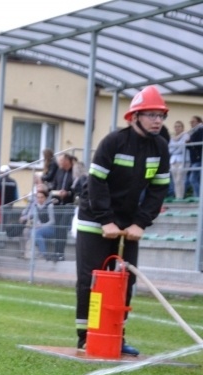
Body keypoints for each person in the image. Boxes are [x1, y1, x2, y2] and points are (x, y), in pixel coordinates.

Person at [75, 85, 170, 356]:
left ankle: (117, 336)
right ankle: (86, 337)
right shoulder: (113, 141)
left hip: (129, 224)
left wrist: (141, 222)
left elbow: (158, 190)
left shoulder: (160, 147)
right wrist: (105, 220)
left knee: (124, 279)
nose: (157, 121)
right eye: (151, 115)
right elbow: (96, 183)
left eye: (160, 116)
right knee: (90, 280)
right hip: (95, 218)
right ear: (135, 116)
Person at [49, 153, 76, 261]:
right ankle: (56, 252)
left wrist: (68, 193)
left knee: (62, 228)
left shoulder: (74, 172)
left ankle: (61, 253)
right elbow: (55, 185)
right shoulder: (59, 171)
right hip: (57, 204)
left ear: (67, 161)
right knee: (57, 229)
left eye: (61, 161)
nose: (59, 163)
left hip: (68, 205)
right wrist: (53, 194)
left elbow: (76, 189)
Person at [19, 186, 55, 259]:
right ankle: (28, 254)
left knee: (35, 233)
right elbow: (35, 218)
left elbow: (52, 221)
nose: (40, 199)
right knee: (28, 231)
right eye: (38, 197)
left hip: (50, 228)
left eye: (42, 197)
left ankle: (43, 254)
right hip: (39, 228)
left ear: (45, 198)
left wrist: (42, 225)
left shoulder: (49, 206)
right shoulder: (36, 206)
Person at [168, 120, 189, 200]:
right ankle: (177, 197)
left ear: (182, 127)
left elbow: (182, 148)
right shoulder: (172, 137)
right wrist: (175, 148)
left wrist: (174, 148)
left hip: (183, 159)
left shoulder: (185, 135)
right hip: (173, 160)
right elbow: (169, 149)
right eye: (175, 126)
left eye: (179, 126)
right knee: (175, 180)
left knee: (180, 179)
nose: (177, 128)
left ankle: (180, 197)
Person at [185, 116, 202, 198]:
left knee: (192, 179)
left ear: (199, 122)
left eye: (193, 121)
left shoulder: (200, 130)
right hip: (194, 159)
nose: (191, 123)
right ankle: (197, 197)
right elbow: (189, 147)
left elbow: (198, 144)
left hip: (199, 158)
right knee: (195, 179)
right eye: (190, 122)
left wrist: (190, 143)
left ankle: (198, 197)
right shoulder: (192, 132)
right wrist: (188, 144)